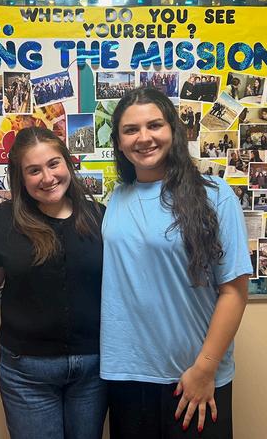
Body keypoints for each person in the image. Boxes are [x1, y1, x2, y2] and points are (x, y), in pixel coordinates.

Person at [102, 88, 252, 438]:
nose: (144, 138)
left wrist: (204, 369)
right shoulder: (117, 198)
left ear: (173, 130)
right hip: (127, 377)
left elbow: (234, 291)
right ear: (119, 143)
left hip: (194, 378)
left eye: (154, 125)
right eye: (130, 130)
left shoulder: (214, 194)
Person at [0, 127, 108, 439]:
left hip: (92, 369)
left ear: (68, 163)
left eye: (54, 164)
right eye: (34, 170)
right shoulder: (4, 221)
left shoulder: (100, 216)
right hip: (27, 372)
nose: (48, 177)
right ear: (21, 177)